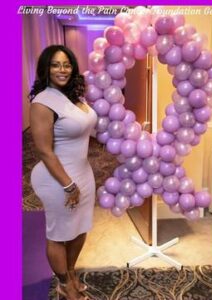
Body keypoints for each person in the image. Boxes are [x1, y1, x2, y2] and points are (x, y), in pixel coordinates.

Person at [29, 45, 97, 300]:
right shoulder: (42, 102)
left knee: (80, 228)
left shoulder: (74, 97)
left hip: (83, 172)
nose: (62, 69)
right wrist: (69, 186)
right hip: (57, 178)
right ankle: (64, 284)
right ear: (46, 69)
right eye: (55, 64)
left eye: (66, 64)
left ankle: (70, 272)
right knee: (59, 233)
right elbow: (45, 151)